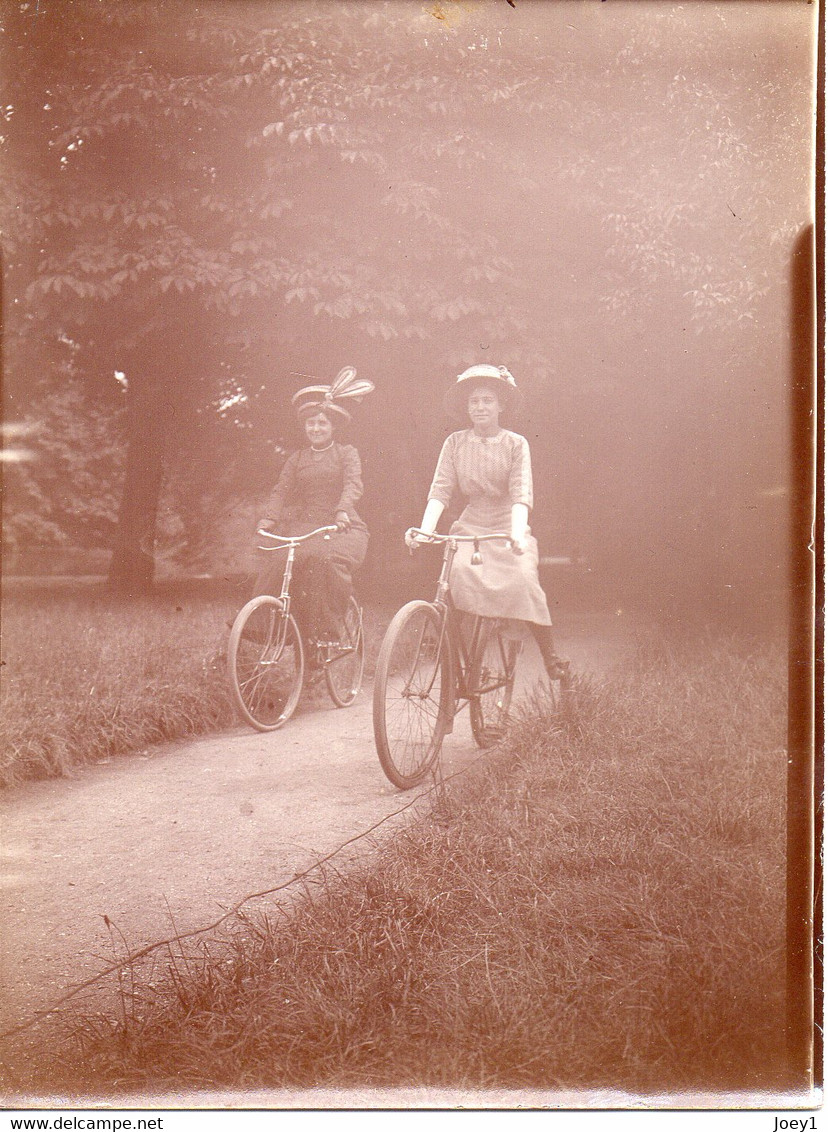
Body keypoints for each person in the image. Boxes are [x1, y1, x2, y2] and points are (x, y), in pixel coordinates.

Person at [407, 363, 568, 684]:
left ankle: (550, 656)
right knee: (458, 573)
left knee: (523, 578)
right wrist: (425, 530)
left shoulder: (516, 444)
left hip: (508, 523)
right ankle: (464, 661)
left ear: (501, 406)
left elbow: (521, 492)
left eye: (487, 401)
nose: (479, 407)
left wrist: (518, 534)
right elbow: (441, 489)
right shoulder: (454, 443)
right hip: (471, 524)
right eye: (474, 402)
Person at [254, 367, 374, 646]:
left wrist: (342, 509)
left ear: (332, 427)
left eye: (322, 423)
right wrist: (269, 520)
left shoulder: (346, 454)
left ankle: (325, 634)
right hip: (307, 528)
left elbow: (353, 485)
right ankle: (264, 628)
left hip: (344, 527)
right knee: (278, 561)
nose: (316, 429)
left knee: (323, 562)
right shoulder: (297, 459)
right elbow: (281, 491)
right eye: (311, 424)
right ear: (304, 427)